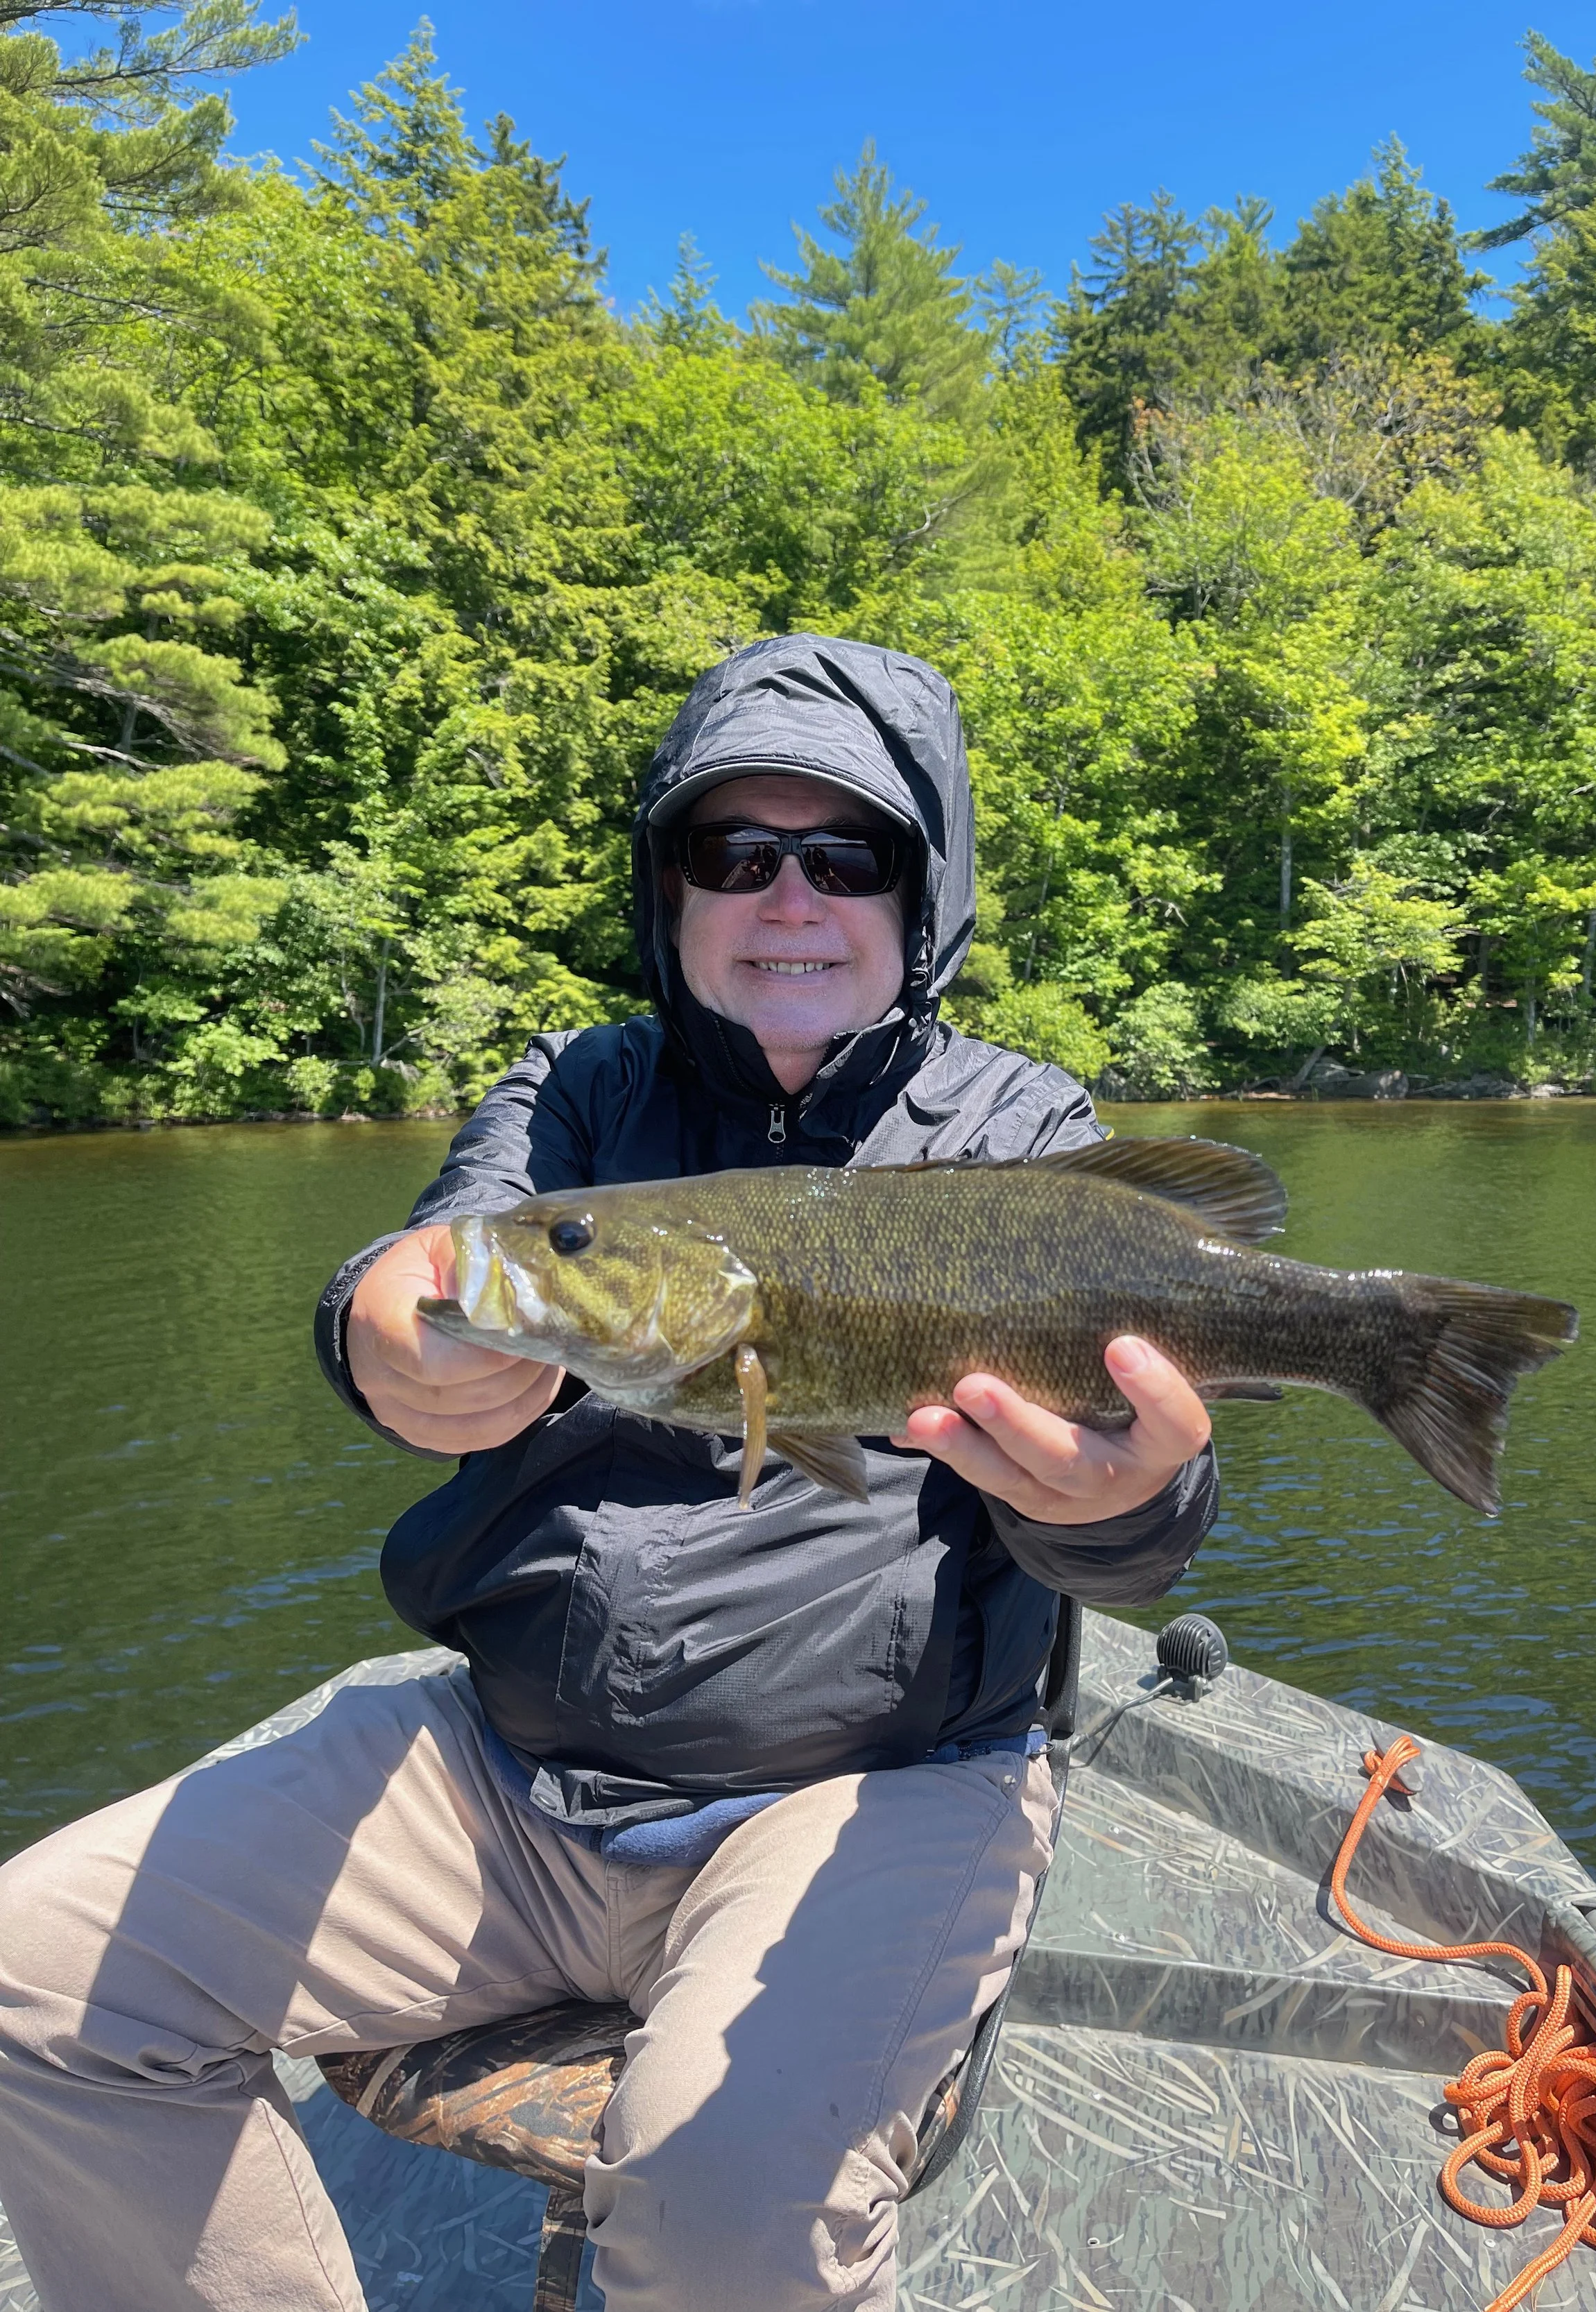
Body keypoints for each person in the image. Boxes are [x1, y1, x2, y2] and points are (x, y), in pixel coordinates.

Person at [0, 635, 1218, 2312]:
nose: (788, 897)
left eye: (847, 855)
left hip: (876, 1789)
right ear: (670, 887)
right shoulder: (575, 1092)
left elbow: (1141, 1533)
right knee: (39, 1980)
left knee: (726, 2196)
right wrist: (379, 1338)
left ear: (918, 893)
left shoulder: (1020, 1132)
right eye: (733, 850)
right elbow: (437, 1261)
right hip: (508, 1778)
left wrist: (1123, 1503)